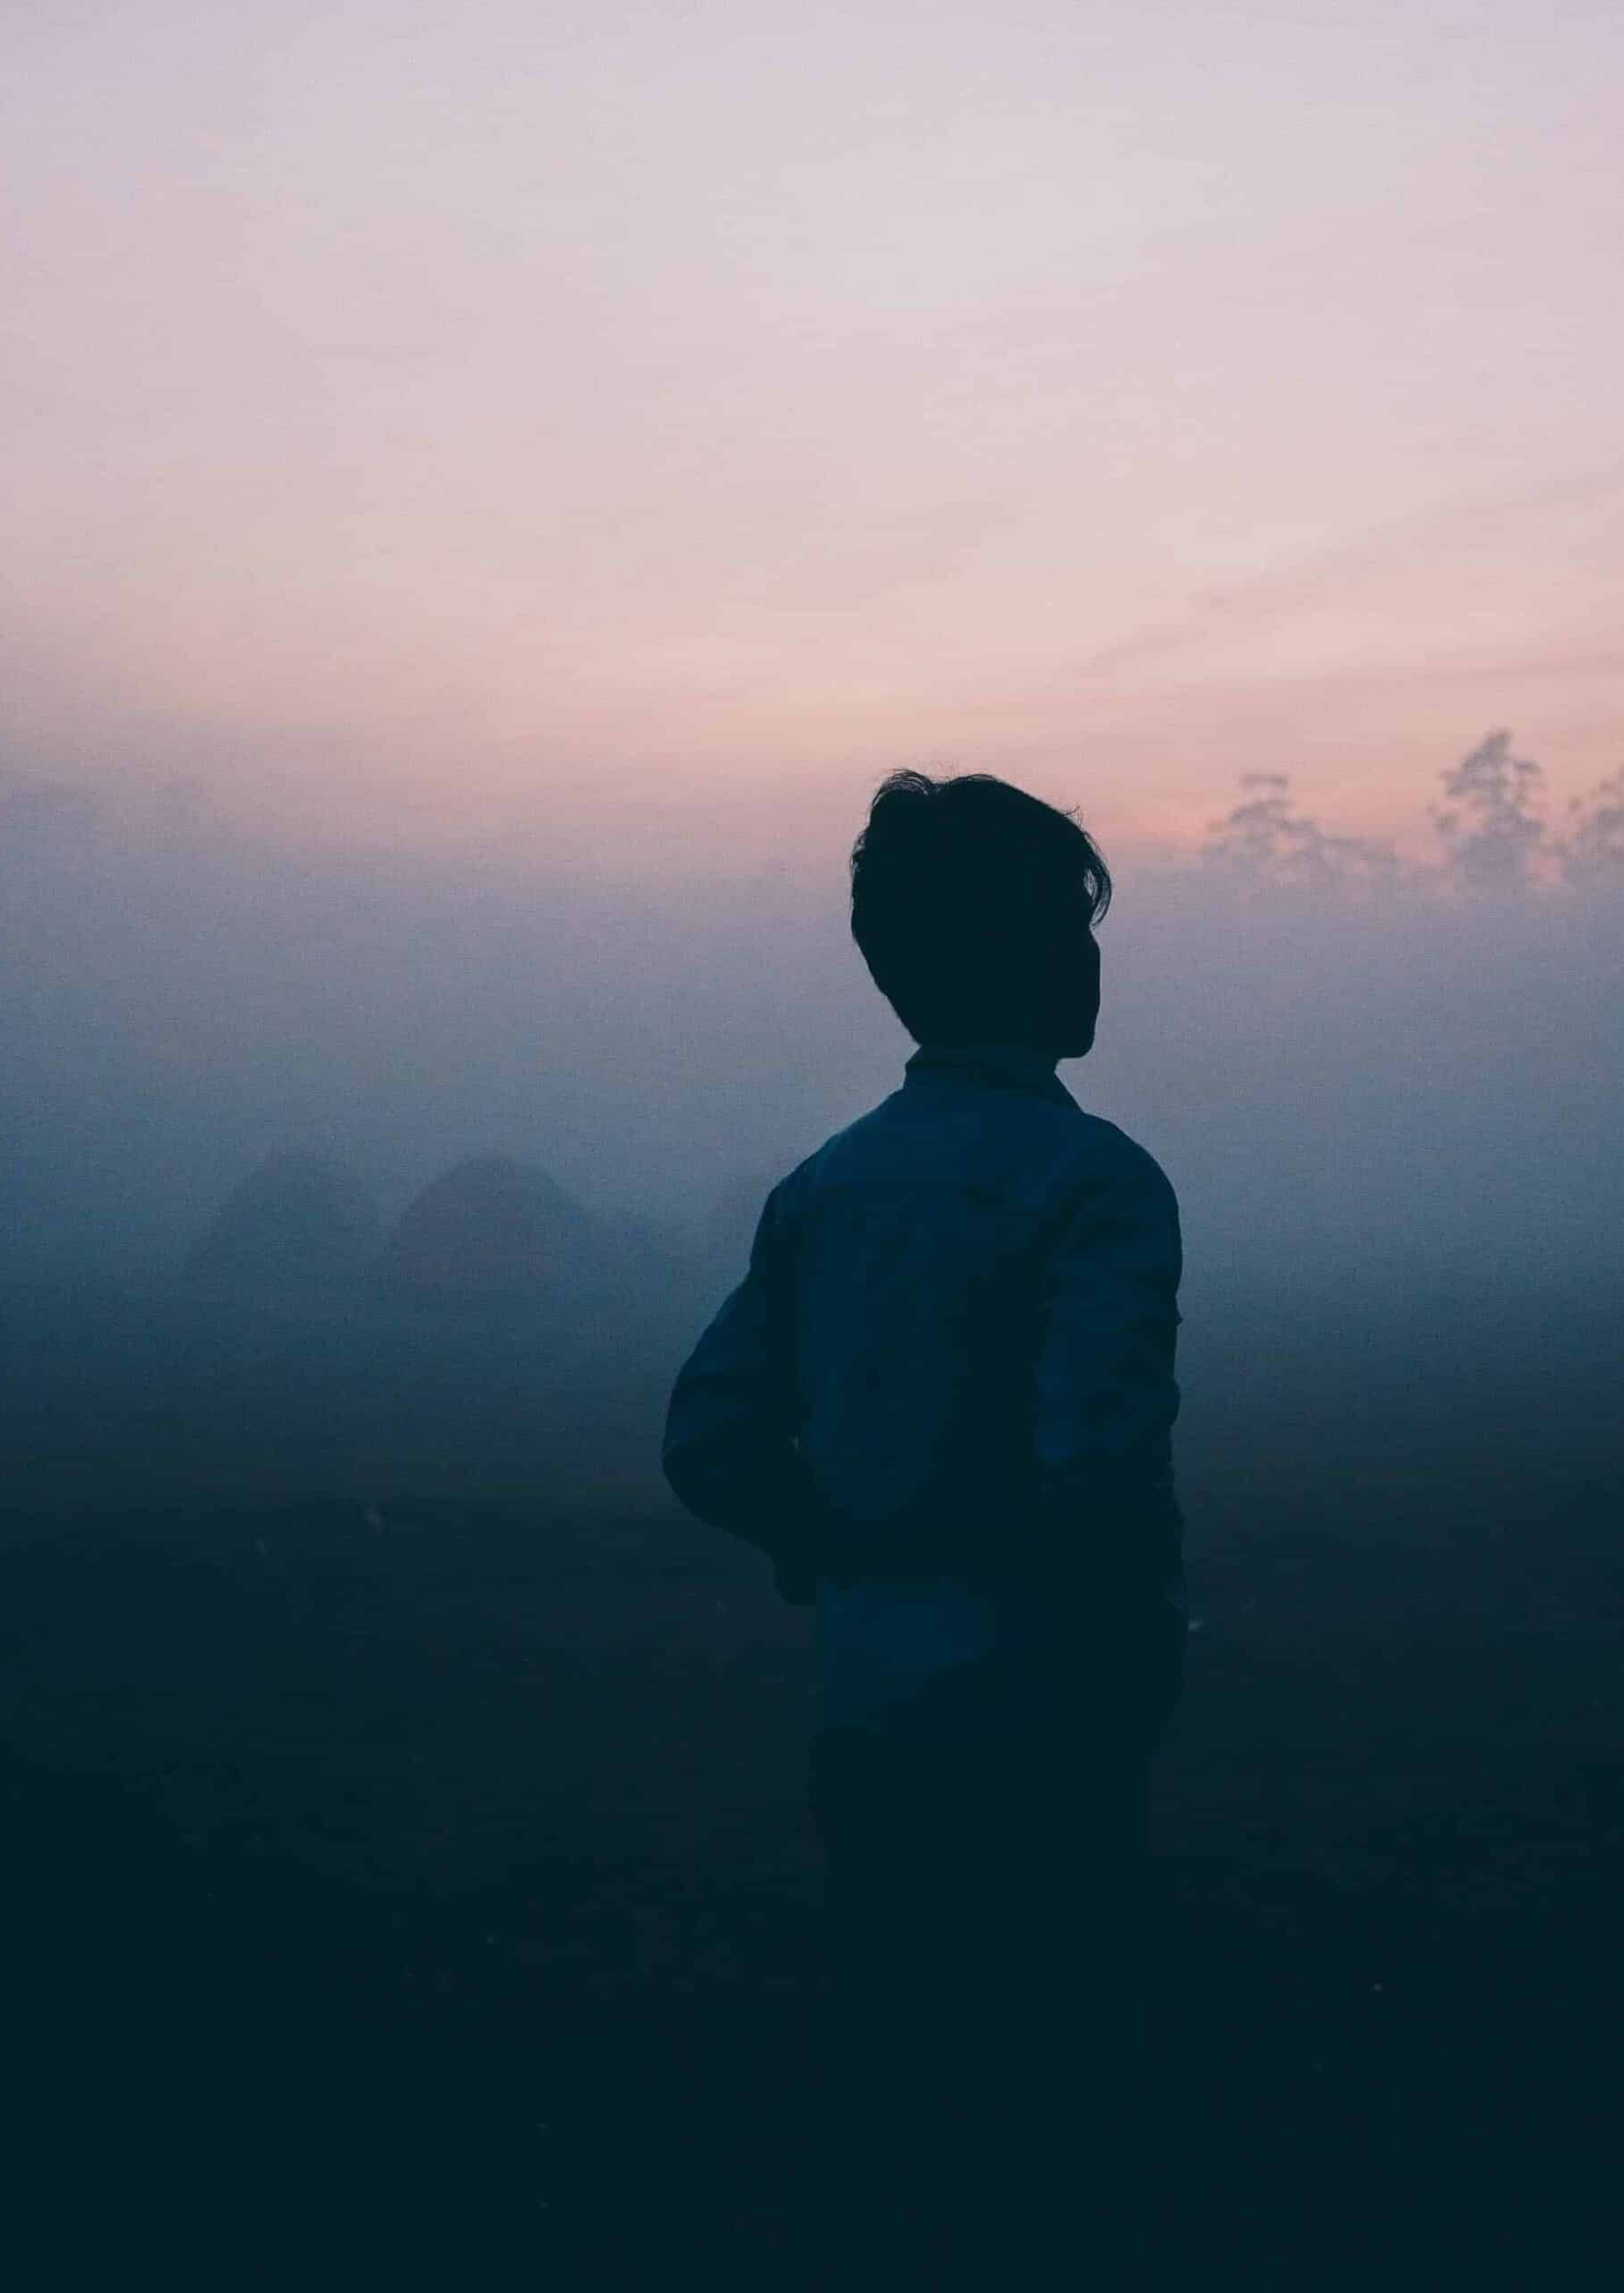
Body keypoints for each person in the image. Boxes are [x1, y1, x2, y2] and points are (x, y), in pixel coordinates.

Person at [660, 769, 1188, 2223]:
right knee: (1060, 2065)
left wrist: (831, 1541)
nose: (1094, 961)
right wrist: (1132, 1629)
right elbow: (1096, 1458)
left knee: (899, 2046)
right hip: (1049, 1702)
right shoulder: (1100, 1184)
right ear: (1030, 962)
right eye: (1073, 932)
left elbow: (708, 1434)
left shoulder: (830, 1187)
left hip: (872, 1696)